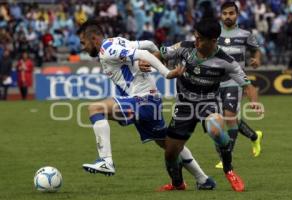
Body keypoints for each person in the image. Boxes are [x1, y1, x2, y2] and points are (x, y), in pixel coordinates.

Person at [77, 19, 216, 190]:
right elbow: (149, 44)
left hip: (143, 100)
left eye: (83, 42)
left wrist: (167, 73)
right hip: (149, 100)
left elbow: (145, 54)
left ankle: (106, 161)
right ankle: (203, 180)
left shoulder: (108, 49)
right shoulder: (116, 41)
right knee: (168, 144)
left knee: (95, 108)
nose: (82, 47)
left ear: (94, 39)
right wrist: (157, 59)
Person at [140, 18, 263, 192]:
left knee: (216, 128)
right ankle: (178, 184)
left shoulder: (226, 61)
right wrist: (148, 61)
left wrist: (254, 102)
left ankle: (229, 170)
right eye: (195, 36)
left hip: (208, 103)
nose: (196, 41)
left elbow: (247, 84)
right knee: (170, 152)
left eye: (201, 39)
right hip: (184, 106)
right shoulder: (184, 46)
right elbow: (161, 52)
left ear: (213, 40)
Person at [214, 1, 263, 169]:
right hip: (215, 82)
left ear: (237, 14)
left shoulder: (245, 34)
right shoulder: (214, 33)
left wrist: (256, 59)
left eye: (231, 13)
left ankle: (226, 157)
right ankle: (254, 136)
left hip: (235, 80)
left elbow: (256, 49)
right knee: (227, 119)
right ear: (221, 15)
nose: (228, 16)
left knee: (228, 116)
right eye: (225, 13)